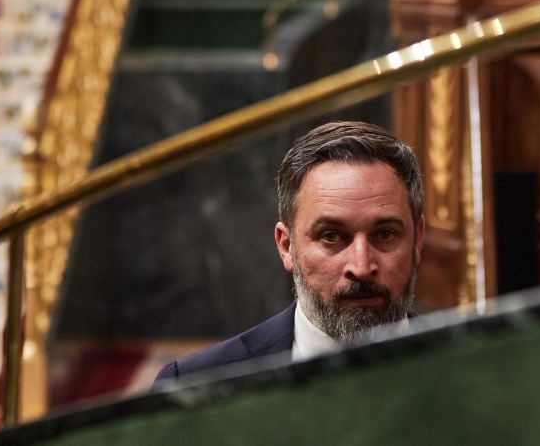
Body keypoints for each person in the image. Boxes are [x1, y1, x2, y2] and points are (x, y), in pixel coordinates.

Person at [153, 121, 425, 385]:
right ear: (287, 246)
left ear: (417, 240)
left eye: (385, 234)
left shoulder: (464, 368)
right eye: (331, 237)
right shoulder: (193, 385)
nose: (362, 266)